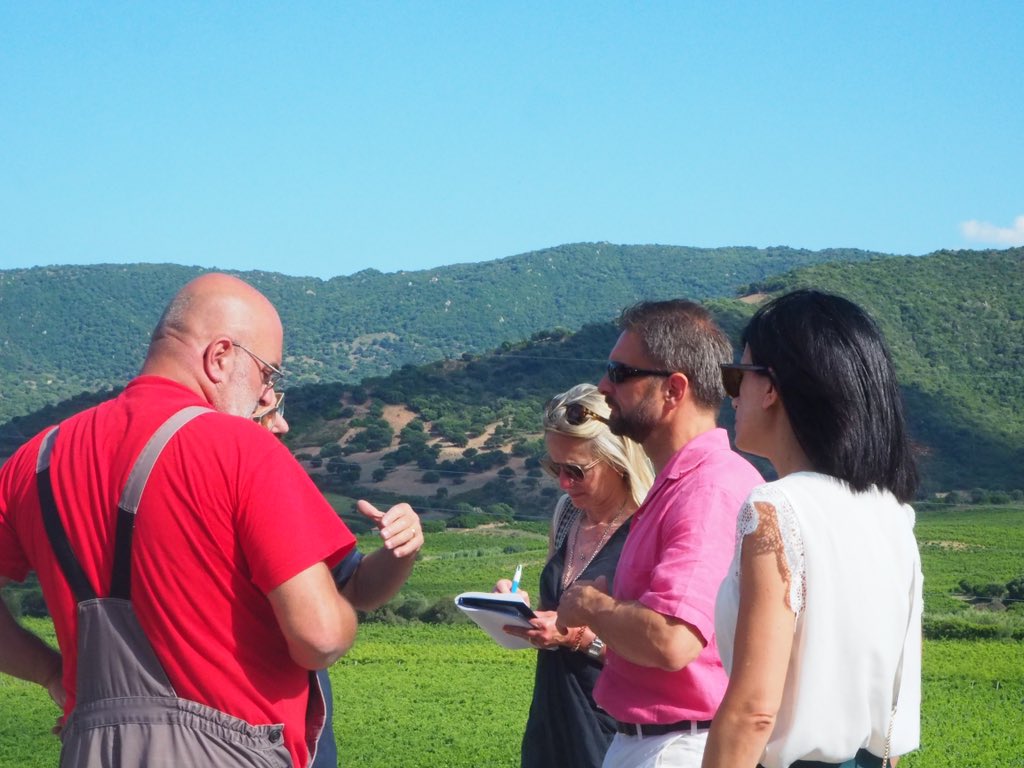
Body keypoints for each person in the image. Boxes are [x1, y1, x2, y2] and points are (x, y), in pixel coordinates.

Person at [0, 273, 405, 767]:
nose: (266, 394)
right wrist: (341, 613)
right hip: (229, 749)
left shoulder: (33, 460)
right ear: (220, 357)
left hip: (91, 749)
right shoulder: (241, 449)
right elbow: (319, 638)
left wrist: (50, 673)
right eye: (267, 374)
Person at [702, 290, 923, 768]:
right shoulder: (892, 514)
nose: (731, 394)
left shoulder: (777, 508)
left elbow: (754, 711)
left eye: (737, 376)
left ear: (772, 388)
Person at [557, 299, 764, 768]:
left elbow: (672, 640)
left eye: (620, 372)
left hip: (675, 748)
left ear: (673, 389)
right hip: (655, 741)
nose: (604, 387)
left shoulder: (707, 490)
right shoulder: (682, 483)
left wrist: (594, 606)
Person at [254, 394, 425, 768]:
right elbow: (324, 638)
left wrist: (403, 546)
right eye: (265, 413)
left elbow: (359, 586)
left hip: (301, 746)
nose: (282, 426)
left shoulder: (282, 492)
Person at [493, 383, 654, 768]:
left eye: (576, 471)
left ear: (617, 460)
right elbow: (558, 613)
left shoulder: (648, 526)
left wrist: (578, 637)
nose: (563, 482)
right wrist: (521, 613)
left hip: (612, 731)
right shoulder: (566, 515)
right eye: (555, 468)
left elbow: (664, 649)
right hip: (552, 720)